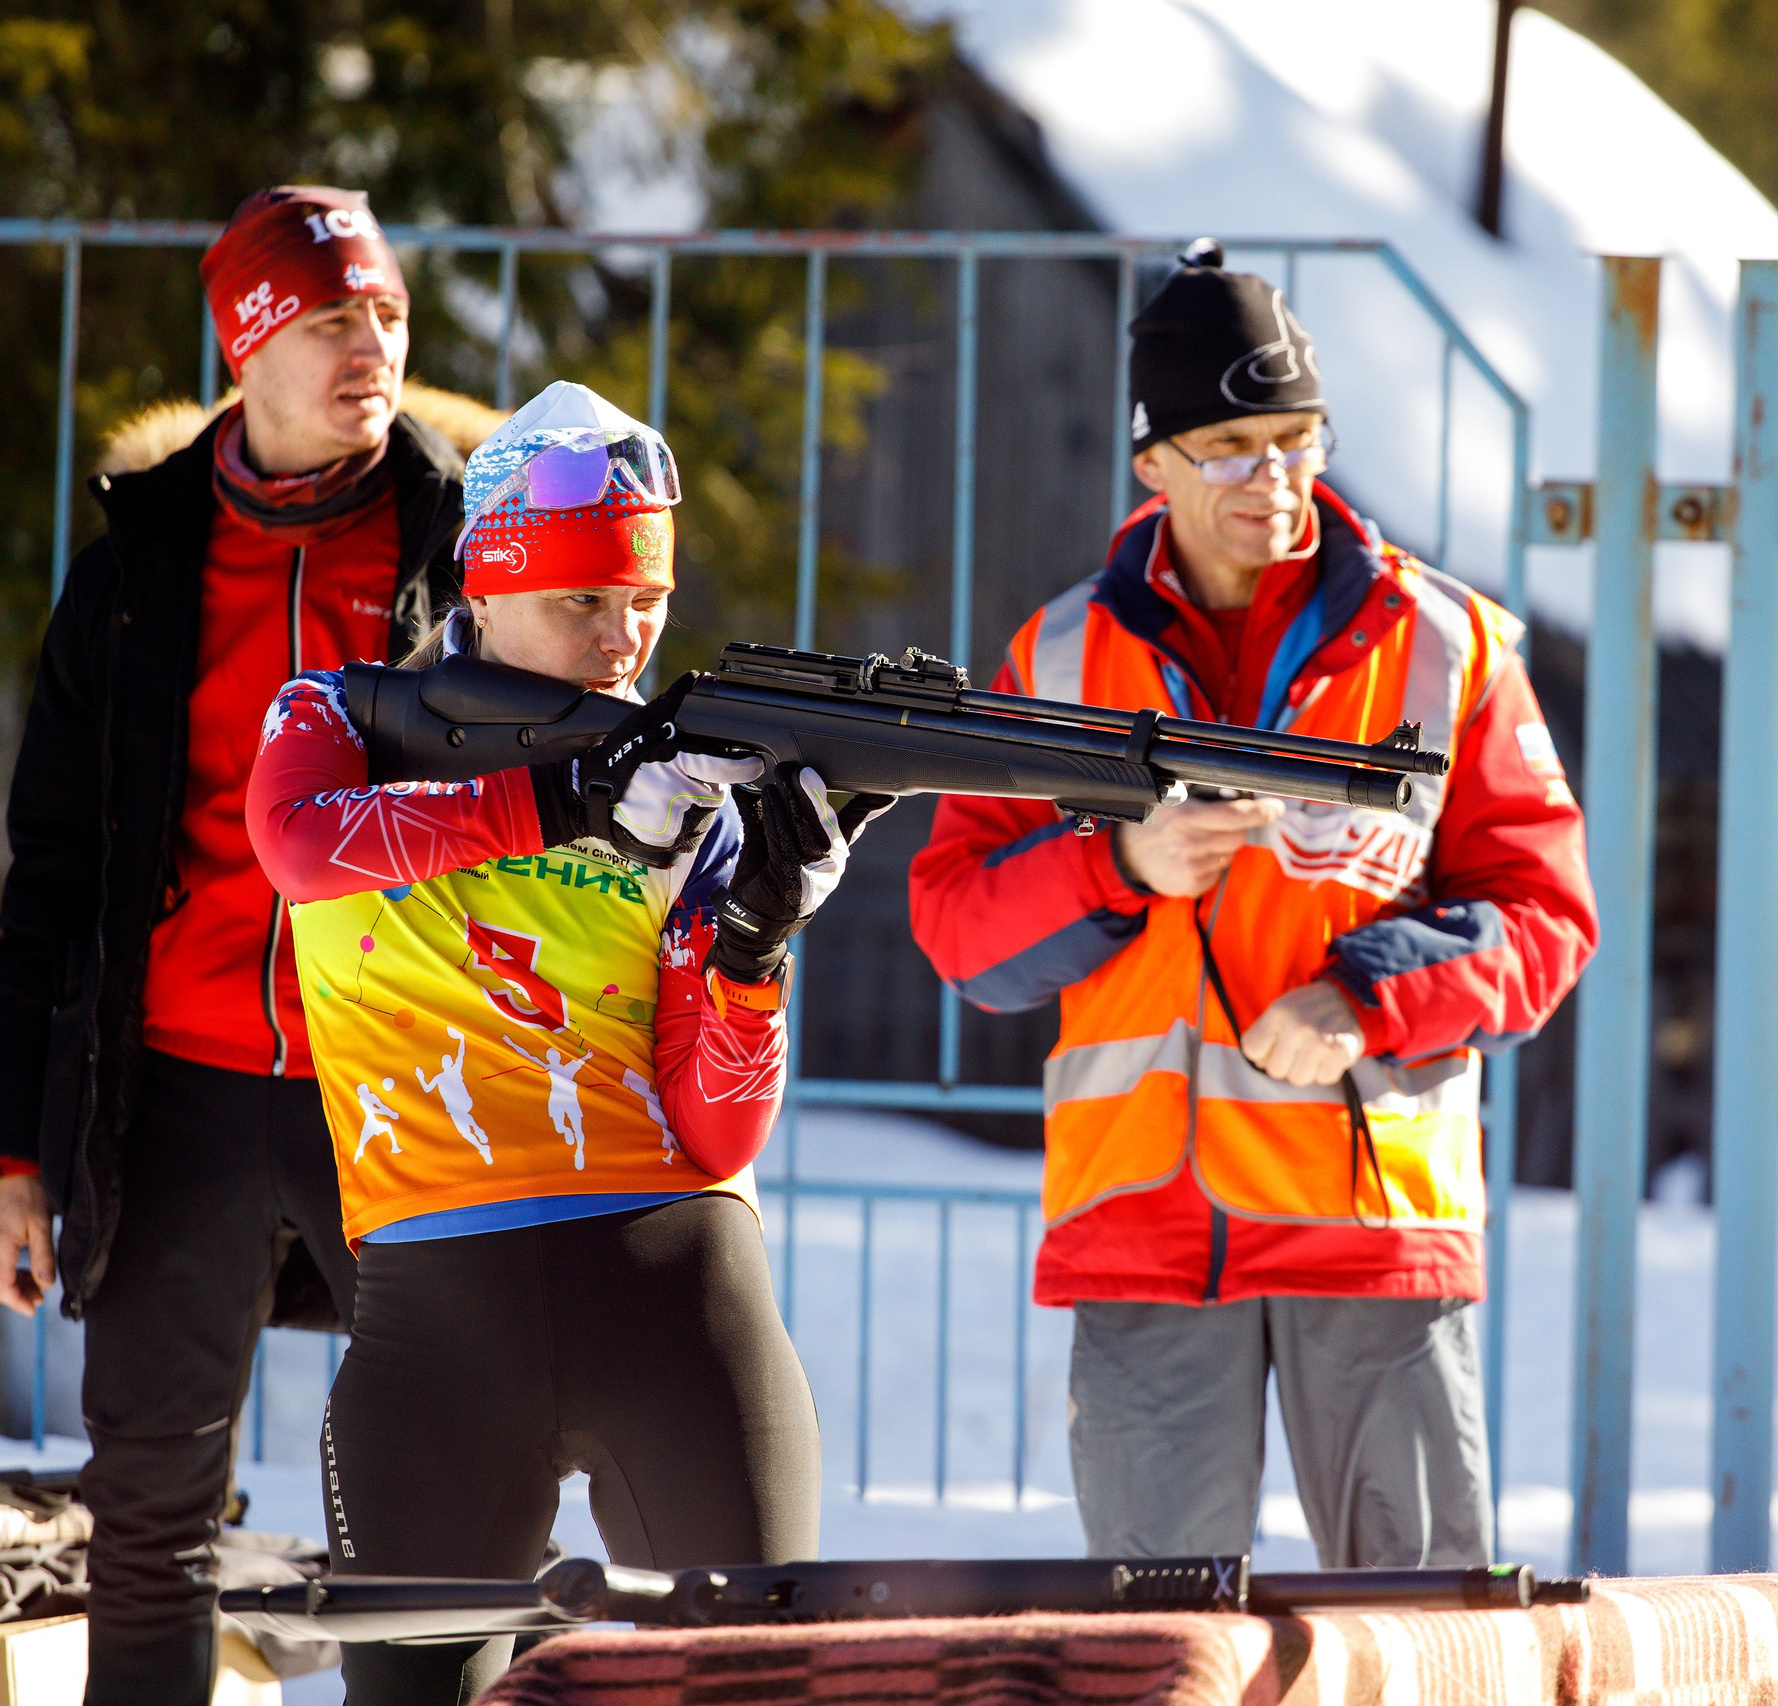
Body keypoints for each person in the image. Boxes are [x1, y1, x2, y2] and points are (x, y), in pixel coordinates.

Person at [909, 245, 1598, 1568]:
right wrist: (1121, 868)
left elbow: (1547, 914)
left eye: (1295, 438)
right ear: (1151, 461)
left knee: (1421, 1647)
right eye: (1229, 446)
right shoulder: (1055, 656)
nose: (1274, 478)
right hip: (1139, 1231)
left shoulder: (1448, 645)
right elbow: (958, 924)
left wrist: (1366, 993)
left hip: (1374, 1228)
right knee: (1156, 1655)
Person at [248, 381, 880, 1704]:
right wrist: (561, 795)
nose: (621, 637)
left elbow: (716, 1124)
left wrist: (756, 941)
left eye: (642, 600)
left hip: (682, 1296)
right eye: (581, 600)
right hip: (433, 1326)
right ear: (484, 588)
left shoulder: (694, 791)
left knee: (760, 1688)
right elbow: (296, 845)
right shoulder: (339, 720)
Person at [0, 186, 465, 1705]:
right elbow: (49, 873)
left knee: (446, 1491)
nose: (369, 344)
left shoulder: (467, 543)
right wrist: (7, 1153)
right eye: (327, 320)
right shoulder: (132, 573)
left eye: (385, 313)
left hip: (397, 1081)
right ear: (247, 349)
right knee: (152, 1512)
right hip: (170, 1083)